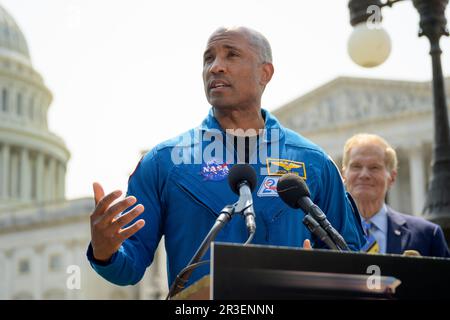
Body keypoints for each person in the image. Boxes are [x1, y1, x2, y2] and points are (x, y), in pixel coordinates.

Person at [87, 26, 365, 291]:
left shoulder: (314, 162)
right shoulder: (164, 162)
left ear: (264, 73)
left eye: (231, 55)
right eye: (208, 58)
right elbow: (129, 267)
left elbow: (349, 255)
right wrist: (105, 251)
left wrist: (321, 273)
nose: (215, 66)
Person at [342, 133, 450, 257]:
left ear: (392, 177)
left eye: (374, 167)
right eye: (356, 166)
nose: (364, 174)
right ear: (344, 174)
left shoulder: (428, 235)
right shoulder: (325, 235)